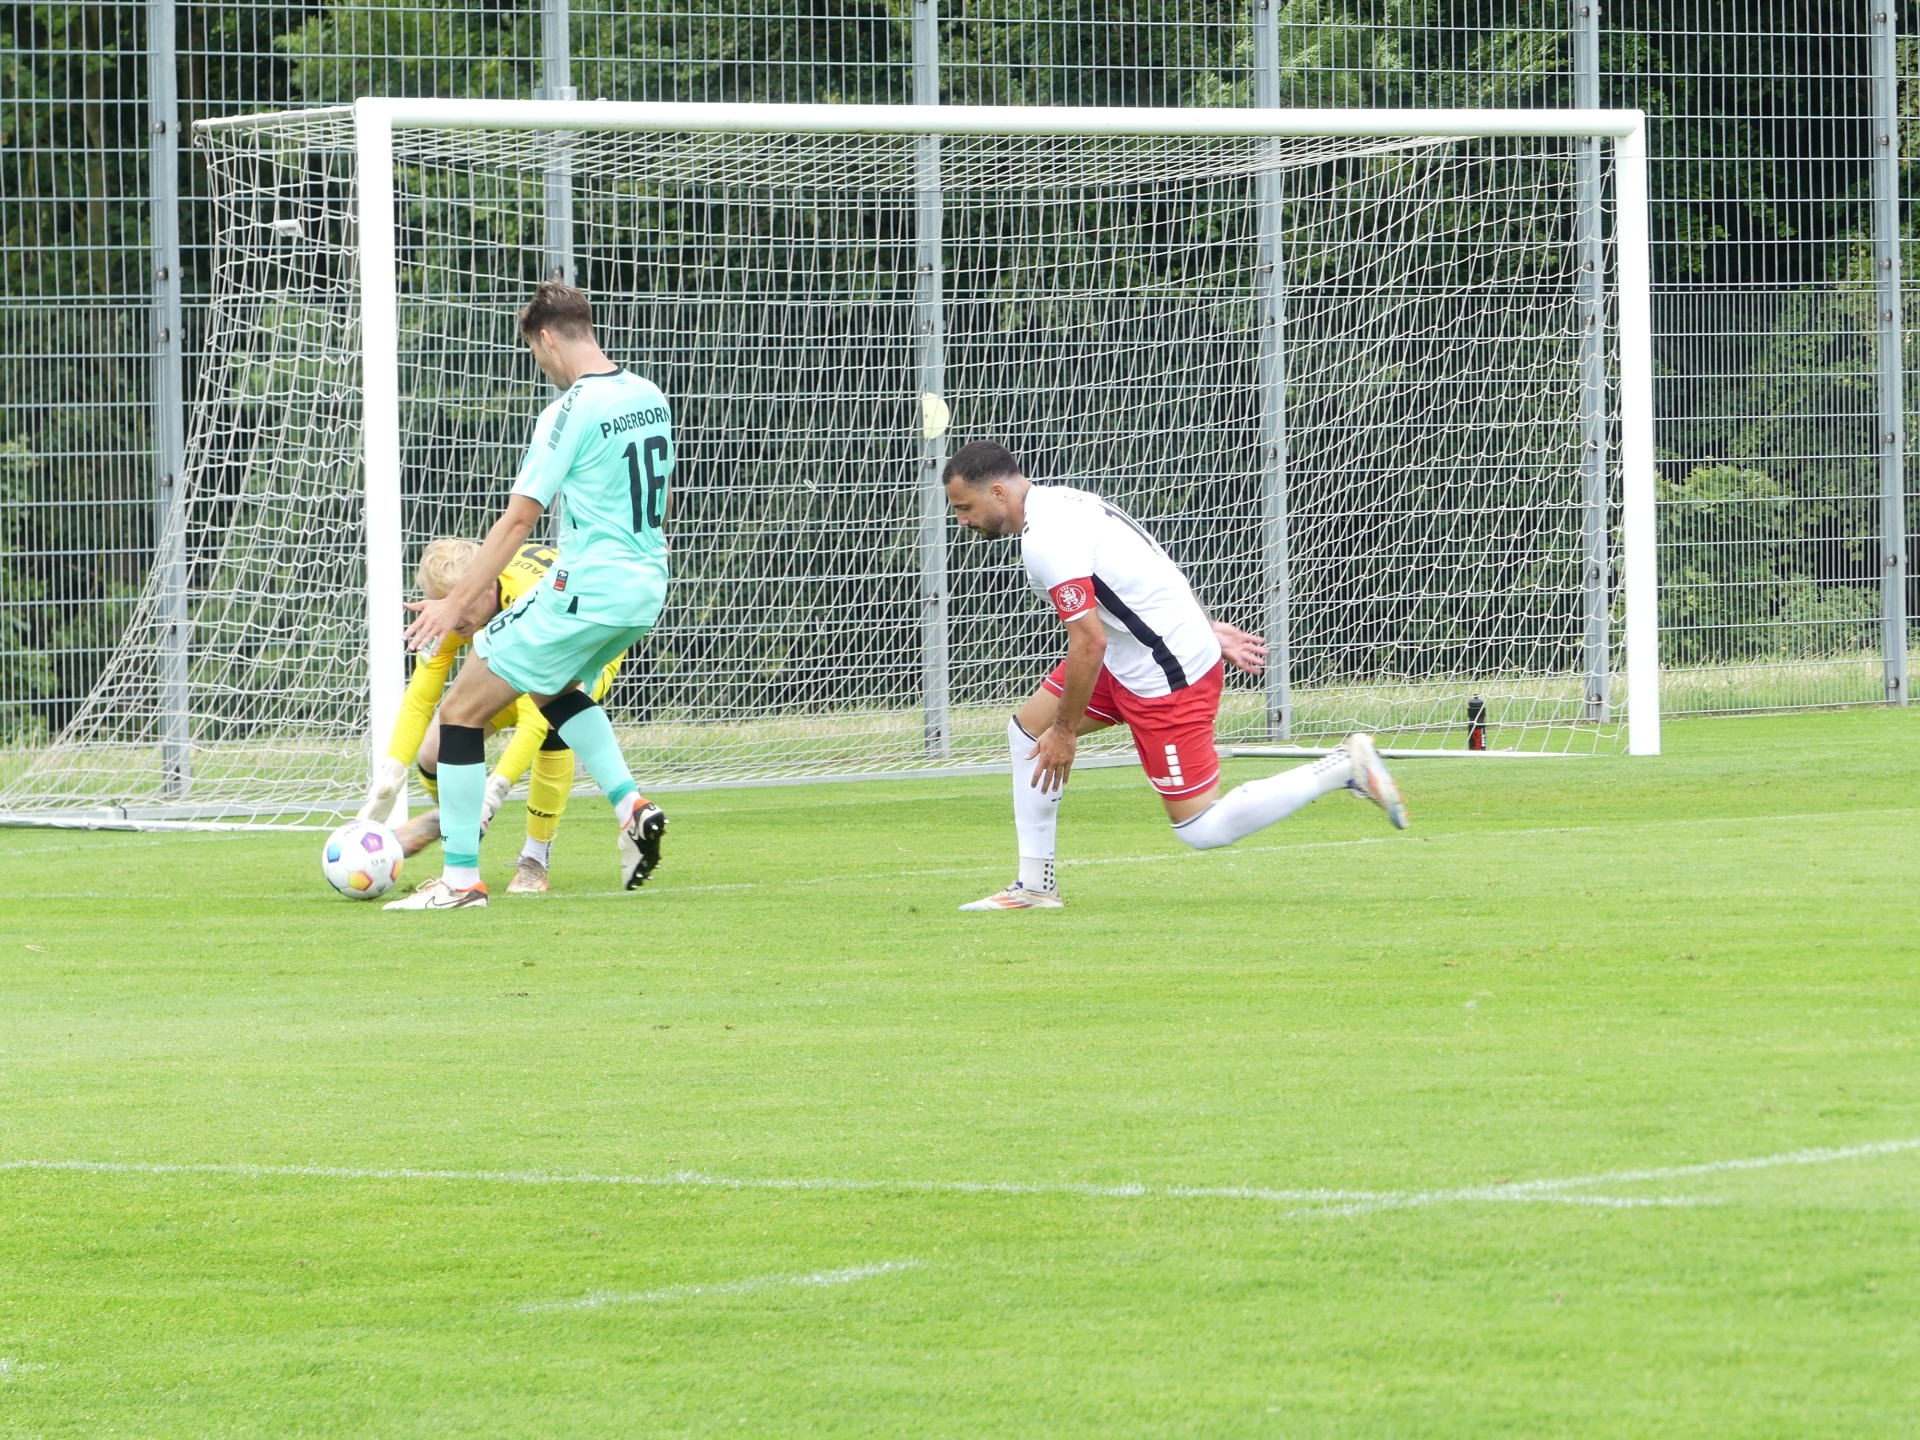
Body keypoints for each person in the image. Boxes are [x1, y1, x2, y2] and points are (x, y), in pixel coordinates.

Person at [941, 440, 1408, 911]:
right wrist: (1208, 628)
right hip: (1129, 653)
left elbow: (1088, 642)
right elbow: (1148, 569)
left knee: (1200, 827)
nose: (961, 520)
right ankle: (1035, 886)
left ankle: (1343, 768)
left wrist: (1064, 731)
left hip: (1164, 672)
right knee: (1027, 732)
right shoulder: (1062, 501)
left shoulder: (1048, 536)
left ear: (997, 493)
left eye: (964, 507)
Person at [383, 280, 671, 911]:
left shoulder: (569, 410)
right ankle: (631, 805)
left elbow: (518, 521)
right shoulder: (648, 394)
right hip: (646, 584)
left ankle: (461, 881)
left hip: (587, 587)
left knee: (460, 712)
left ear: (545, 339)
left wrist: (453, 603)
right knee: (552, 689)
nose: (540, 364)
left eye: (535, 352)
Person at [357, 536, 623, 895]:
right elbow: (421, 698)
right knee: (434, 750)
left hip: (587, 652)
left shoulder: (532, 605)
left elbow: (533, 720)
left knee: (553, 719)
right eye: (441, 604)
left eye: (457, 604)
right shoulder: (452, 611)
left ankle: (535, 858)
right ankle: (458, 824)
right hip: (514, 661)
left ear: (484, 587)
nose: (450, 615)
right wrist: (391, 773)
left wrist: (494, 794)